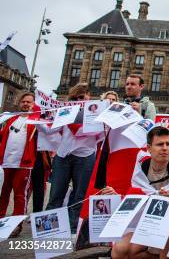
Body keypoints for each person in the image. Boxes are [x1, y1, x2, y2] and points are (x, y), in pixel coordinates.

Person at [110, 126, 169, 258]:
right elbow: (134, 199)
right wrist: (116, 196)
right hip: (147, 222)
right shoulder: (142, 166)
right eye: (160, 144)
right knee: (120, 252)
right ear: (149, 148)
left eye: (168, 144)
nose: (165, 148)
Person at [45, 83, 101, 233]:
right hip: (64, 156)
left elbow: (99, 134)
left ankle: (72, 229)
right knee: (56, 194)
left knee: (79, 195)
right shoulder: (66, 111)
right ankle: (48, 232)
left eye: (83, 97)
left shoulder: (96, 113)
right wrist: (39, 118)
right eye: (77, 97)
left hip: (85, 157)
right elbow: (51, 130)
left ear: (89, 97)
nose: (80, 99)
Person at [0, 92, 38, 237]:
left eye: (29, 102)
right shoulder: (10, 119)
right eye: (23, 101)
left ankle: (16, 225)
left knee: (19, 195)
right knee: (3, 194)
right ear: (19, 103)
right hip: (5, 162)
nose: (26, 104)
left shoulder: (36, 120)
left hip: (24, 164)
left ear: (33, 104)